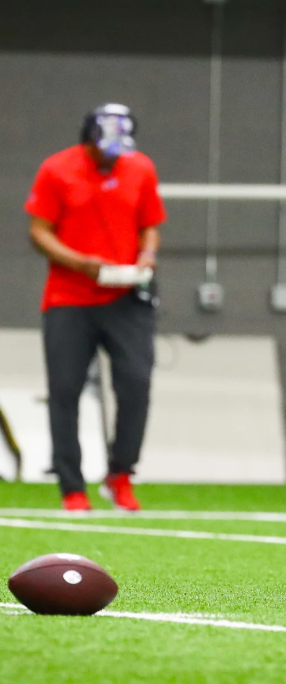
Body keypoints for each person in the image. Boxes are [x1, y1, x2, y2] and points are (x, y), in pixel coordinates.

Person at [25, 103, 164, 511]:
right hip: (69, 299)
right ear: (88, 138)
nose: (113, 154)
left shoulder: (140, 168)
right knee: (64, 392)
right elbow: (38, 232)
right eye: (106, 146)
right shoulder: (56, 169)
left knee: (136, 385)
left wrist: (148, 257)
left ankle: (120, 475)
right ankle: (71, 487)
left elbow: (150, 225)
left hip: (126, 298)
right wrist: (79, 262)